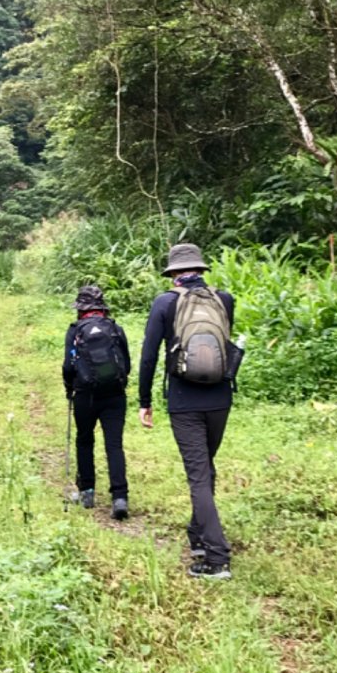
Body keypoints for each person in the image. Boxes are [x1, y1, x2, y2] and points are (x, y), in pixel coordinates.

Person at [138, 243, 235, 579]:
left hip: (184, 400)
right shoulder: (223, 299)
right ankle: (198, 536)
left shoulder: (165, 302)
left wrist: (144, 401)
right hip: (221, 398)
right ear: (200, 269)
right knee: (206, 468)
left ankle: (217, 558)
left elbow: (149, 355)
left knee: (198, 476)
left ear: (173, 273)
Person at [63, 285, 132, 520]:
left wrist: (69, 388)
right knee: (114, 445)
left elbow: (67, 366)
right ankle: (120, 497)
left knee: (84, 440)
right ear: (102, 308)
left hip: (84, 395)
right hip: (115, 395)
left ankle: (87, 493)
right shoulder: (115, 328)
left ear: (81, 309)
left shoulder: (75, 331)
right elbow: (127, 364)